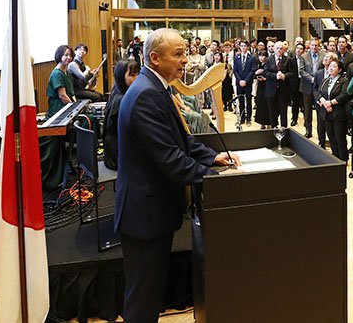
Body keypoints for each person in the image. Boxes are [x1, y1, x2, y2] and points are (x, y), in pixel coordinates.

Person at [115, 28, 240, 323]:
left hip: (151, 211)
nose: (186, 61)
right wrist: (215, 178)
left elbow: (181, 141)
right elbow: (171, 160)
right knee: (143, 299)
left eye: (185, 53)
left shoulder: (155, 87)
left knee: (148, 293)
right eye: (179, 54)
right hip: (144, 215)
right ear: (155, 58)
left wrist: (213, 156)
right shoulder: (146, 95)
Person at [103, 59, 140, 170]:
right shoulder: (122, 100)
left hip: (115, 151)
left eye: (138, 74)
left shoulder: (117, 91)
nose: (137, 78)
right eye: (132, 75)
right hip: (118, 157)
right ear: (121, 77)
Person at [318, 59, 351, 162]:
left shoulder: (343, 80)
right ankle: (334, 156)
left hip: (338, 112)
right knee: (331, 135)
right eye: (330, 66)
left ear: (340, 69)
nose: (330, 68)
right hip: (327, 112)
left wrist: (331, 102)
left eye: (334, 66)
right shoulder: (326, 80)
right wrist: (324, 102)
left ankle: (343, 158)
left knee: (339, 136)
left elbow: (344, 95)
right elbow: (319, 92)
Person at [262, 41, 294, 128]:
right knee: (272, 112)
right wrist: (275, 76)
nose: (279, 50)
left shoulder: (288, 60)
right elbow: (265, 73)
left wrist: (284, 76)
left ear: (284, 50)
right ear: (274, 49)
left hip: (283, 90)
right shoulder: (268, 60)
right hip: (271, 90)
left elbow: (291, 73)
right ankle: (274, 129)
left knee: (283, 112)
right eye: (277, 48)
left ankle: (284, 130)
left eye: (281, 48)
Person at [300, 38, 326, 139]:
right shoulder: (303, 56)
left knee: (319, 111)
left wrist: (317, 80)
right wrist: (312, 79)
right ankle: (308, 130)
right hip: (307, 86)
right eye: (312, 45)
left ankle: (321, 134)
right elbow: (301, 71)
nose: (314, 47)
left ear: (319, 46)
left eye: (316, 45)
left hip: (320, 87)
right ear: (309, 46)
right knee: (307, 111)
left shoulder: (323, 55)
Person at [47, 44, 75, 117]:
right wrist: (74, 109)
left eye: (70, 55)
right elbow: (62, 96)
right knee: (87, 119)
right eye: (66, 55)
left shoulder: (67, 72)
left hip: (66, 106)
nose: (69, 57)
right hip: (58, 109)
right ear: (59, 55)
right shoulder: (56, 74)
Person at [233, 40, 256, 124]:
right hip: (239, 83)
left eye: (244, 46)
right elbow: (235, 71)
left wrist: (245, 80)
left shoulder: (252, 58)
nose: (243, 48)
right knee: (241, 101)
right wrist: (240, 80)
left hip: (248, 82)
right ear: (239, 47)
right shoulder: (236, 57)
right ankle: (242, 118)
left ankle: (248, 118)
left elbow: (252, 70)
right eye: (241, 46)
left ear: (247, 47)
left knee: (248, 100)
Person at [254, 52, 271, 129]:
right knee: (260, 104)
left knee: (267, 105)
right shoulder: (259, 65)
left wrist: (265, 78)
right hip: (260, 87)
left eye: (263, 56)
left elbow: (271, 75)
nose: (261, 58)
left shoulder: (269, 64)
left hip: (267, 86)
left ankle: (268, 123)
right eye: (260, 56)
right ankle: (262, 123)